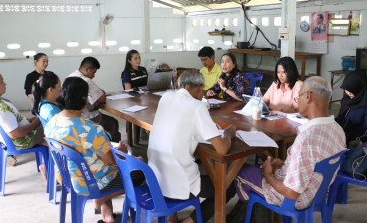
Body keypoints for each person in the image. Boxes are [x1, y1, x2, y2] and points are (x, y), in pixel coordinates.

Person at [233, 76, 346, 212]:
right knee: (258, 169)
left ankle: (251, 214)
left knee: (240, 172)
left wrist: (268, 175)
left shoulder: (307, 137)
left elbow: (291, 192)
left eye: (298, 97)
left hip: (293, 200)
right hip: (317, 193)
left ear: (308, 96)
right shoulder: (338, 129)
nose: (298, 103)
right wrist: (284, 165)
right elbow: (312, 163)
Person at [45, 77, 143, 223]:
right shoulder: (91, 129)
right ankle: (100, 198)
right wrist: (121, 151)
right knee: (140, 169)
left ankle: (107, 216)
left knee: (96, 164)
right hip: (93, 183)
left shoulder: (52, 122)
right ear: (84, 98)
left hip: (68, 178)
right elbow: (112, 162)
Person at [147, 70, 237, 223]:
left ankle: (171, 217)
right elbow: (222, 149)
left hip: (155, 177)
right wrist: (228, 134)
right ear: (199, 88)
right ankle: (190, 221)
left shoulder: (166, 96)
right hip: (180, 181)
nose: (202, 94)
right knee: (228, 187)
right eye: (202, 90)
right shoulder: (196, 106)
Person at [0, 69, 46, 176]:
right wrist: (34, 123)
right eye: (1, 81)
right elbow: (14, 134)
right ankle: (48, 169)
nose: (5, 84)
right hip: (23, 140)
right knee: (55, 135)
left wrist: (29, 121)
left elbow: (12, 123)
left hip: (15, 138)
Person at [68, 57, 120, 142]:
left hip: (71, 118)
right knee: (112, 123)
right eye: (93, 72)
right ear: (87, 69)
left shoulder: (69, 77)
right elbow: (102, 99)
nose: (94, 75)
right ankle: (112, 149)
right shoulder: (86, 80)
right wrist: (101, 91)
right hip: (84, 117)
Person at [335, 70, 367, 144]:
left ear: (360, 88)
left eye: (352, 89)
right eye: (346, 89)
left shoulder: (365, 105)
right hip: (340, 136)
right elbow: (341, 118)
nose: (348, 92)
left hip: (354, 143)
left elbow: (364, 133)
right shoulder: (347, 99)